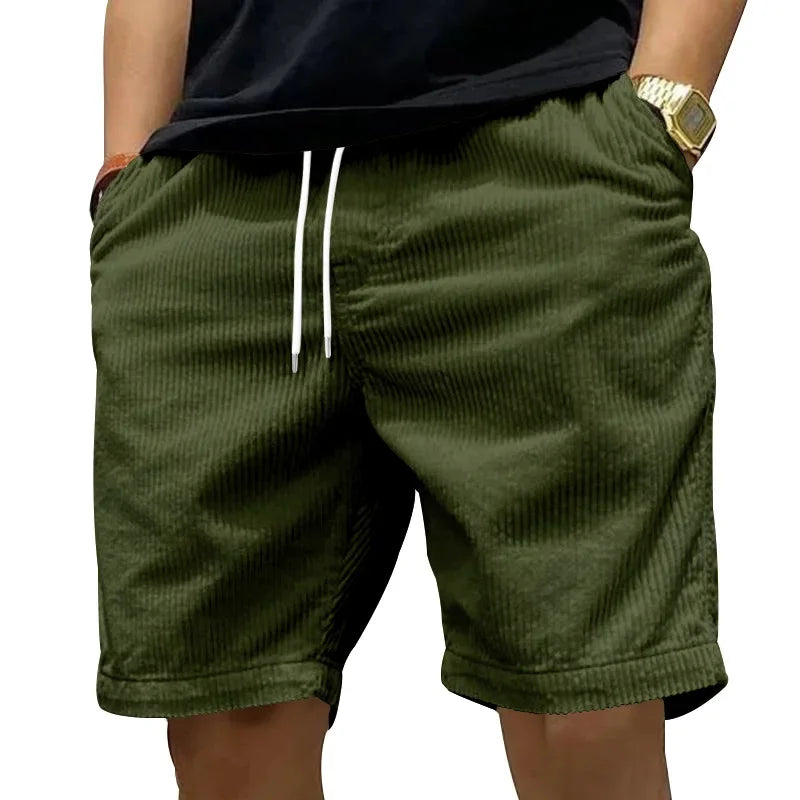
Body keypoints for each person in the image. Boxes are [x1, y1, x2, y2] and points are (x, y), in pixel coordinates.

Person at [88, 1, 745, 797]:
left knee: (589, 701)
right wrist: (126, 170)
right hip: (219, 198)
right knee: (226, 717)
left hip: (537, 159)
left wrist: (664, 110)